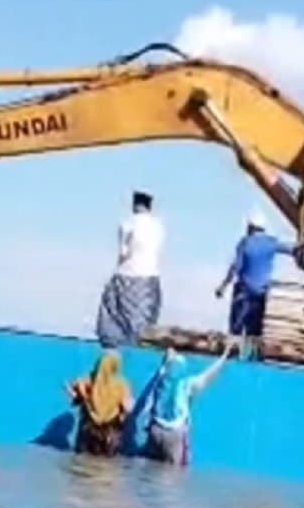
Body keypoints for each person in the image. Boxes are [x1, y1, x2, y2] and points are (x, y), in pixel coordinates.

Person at [215, 211, 296, 352]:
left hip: (244, 292)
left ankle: (234, 355)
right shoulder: (271, 242)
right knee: (255, 333)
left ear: (250, 227)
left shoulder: (246, 242)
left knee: (236, 331)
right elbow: (291, 249)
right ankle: (252, 359)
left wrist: (223, 286)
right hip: (261, 294)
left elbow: (236, 267)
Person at [145, 342, 236, 466]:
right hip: (175, 434)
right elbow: (209, 374)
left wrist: (169, 355)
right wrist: (224, 357)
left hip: (155, 430)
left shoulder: (162, 378)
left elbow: (167, 362)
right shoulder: (187, 384)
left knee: (151, 468)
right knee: (173, 475)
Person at [95, 190, 165, 348]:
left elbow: (123, 253)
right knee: (143, 319)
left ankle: (113, 347)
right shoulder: (158, 226)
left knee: (113, 312)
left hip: (128, 273)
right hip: (151, 276)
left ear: (136, 205)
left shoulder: (128, 223)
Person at [66, 350, 134, 457]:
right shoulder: (121, 385)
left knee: (82, 465)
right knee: (106, 469)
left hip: (87, 431)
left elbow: (75, 396)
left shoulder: (86, 381)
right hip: (110, 434)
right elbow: (128, 408)